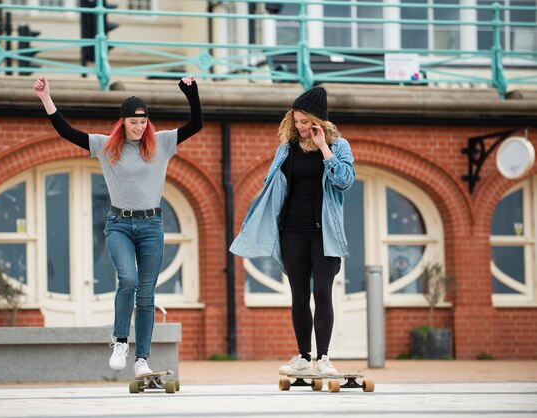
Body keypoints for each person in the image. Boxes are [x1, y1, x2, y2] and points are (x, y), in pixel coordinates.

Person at [33, 74, 202, 376]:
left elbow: (196, 124)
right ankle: (121, 340)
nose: (139, 128)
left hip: (152, 225)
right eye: (133, 122)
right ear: (123, 121)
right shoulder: (105, 145)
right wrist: (46, 98)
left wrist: (191, 93)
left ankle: (142, 360)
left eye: (143, 122)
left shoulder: (162, 142)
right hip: (118, 225)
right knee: (128, 280)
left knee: (147, 294)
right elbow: (66, 131)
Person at [230, 87, 355, 376]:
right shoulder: (286, 148)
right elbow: (271, 186)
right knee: (299, 294)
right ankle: (303, 356)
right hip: (292, 231)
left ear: (318, 121)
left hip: (324, 231)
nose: (299, 127)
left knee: (322, 291)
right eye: (295, 121)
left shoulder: (339, 146)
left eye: (304, 121)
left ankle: (323, 358)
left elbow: (345, 181)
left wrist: (324, 148)